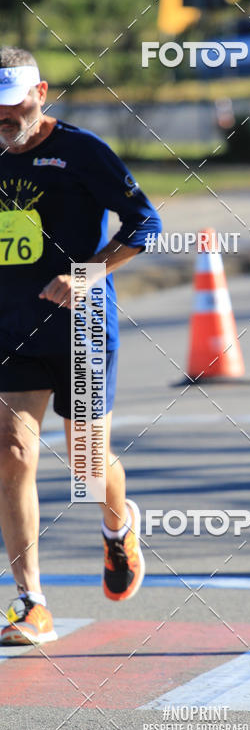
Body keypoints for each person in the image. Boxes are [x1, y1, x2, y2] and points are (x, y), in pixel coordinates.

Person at [0, 47, 161, 645]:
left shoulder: (82, 151)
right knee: (13, 453)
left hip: (82, 325)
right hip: (10, 326)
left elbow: (145, 223)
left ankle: (119, 528)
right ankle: (30, 602)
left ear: (41, 92)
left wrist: (87, 272)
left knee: (88, 465)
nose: (5, 118)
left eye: (15, 105)